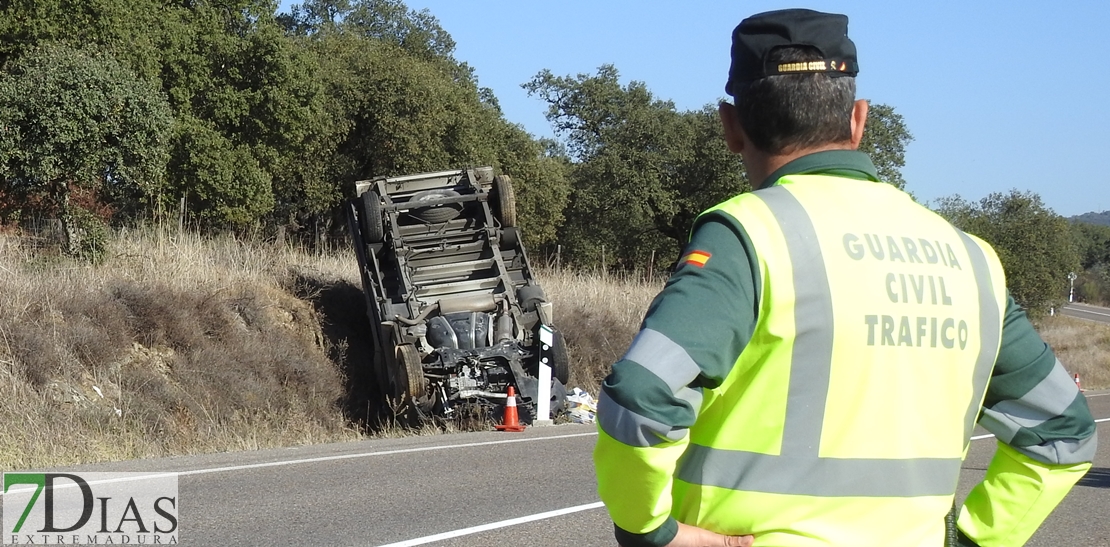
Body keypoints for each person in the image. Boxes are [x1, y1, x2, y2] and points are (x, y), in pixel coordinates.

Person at [593, 8, 1097, 547]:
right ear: (858, 119)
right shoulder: (972, 259)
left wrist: (651, 531)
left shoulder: (750, 236)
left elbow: (642, 397)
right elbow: (1063, 434)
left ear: (730, 127)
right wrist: (970, 539)